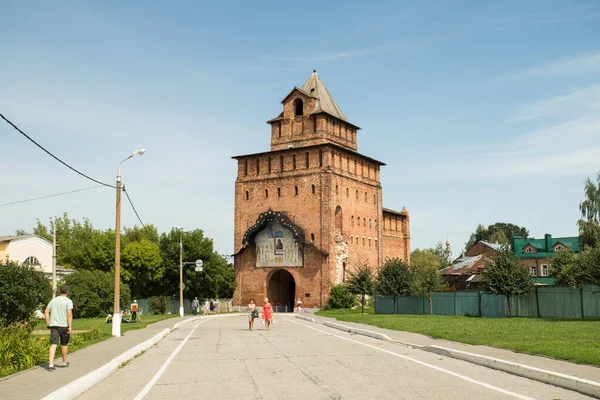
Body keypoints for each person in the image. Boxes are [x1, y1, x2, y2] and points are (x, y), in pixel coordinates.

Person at [44, 285, 73, 371]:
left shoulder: (54, 300)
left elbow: (46, 311)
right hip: (64, 326)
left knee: (53, 344)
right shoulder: (68, 301)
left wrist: (48, 323)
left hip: (53, 325)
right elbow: (69, 314)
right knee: (64, 344)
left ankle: (51, 364)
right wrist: (70, 326)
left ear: (60, 291)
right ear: (67, 291)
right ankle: (64, 362)